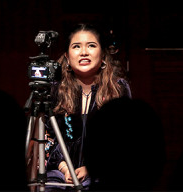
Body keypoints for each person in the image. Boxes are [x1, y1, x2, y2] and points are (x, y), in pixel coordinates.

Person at [43, 23, 132, 191]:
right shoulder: (55, 89)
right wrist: (64, 167)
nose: (84, 52)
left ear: (103, 54)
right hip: (59, 173)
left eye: (91, 45)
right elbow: (47, 135)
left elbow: (123, 139)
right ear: (67, 57)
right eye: (76, 46)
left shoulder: (118, 88)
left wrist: (91, 168)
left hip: (102, 173)